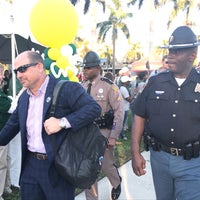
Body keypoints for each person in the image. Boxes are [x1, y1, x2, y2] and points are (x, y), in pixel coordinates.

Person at [0, 50, 101, 200]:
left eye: (22, 69)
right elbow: (10, 128)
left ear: (39, 67)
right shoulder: (24, 99)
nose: (18, 75)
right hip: (30, 167)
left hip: (58, 167)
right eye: (16, 71)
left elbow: (93, 109)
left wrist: (62, 123)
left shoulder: (66, 89)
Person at [131, 25, 200, 200]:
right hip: (159, 159)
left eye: (176, 51)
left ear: (192, 55)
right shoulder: (155, 83)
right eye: (170, 50)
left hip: (192, 163)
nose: (170, 55)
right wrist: (135, 152)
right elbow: (139, 114)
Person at [81, 51, 124, 200]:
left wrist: (113, 136)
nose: (84, 70)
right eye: (84, 68)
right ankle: (92, 197)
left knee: (106, 165)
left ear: (98, 68)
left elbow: (119, 112)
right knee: (89, 168)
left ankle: (116, 182)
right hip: (86, 133)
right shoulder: (82, 86)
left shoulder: (108, 86)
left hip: (103, 132)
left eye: (88, 68)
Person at [0, 64, 12, 200]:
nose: (2, 76)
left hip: (4, 131)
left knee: (6, 159)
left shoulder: (1, 90)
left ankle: (6, 186)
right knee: (2, 163)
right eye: (0, 74)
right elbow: (7, 106)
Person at [119, 75, 134, 140]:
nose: (129, 83)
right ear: (125, 82)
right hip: (124, 108)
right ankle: (122, 135)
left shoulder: (122, 88)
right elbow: (128, 99)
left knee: (122, 122)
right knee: (122, 122)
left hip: (123, 107)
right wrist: (134, 94)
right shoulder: (124, 89)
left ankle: (121, 134)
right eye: (128, 81)